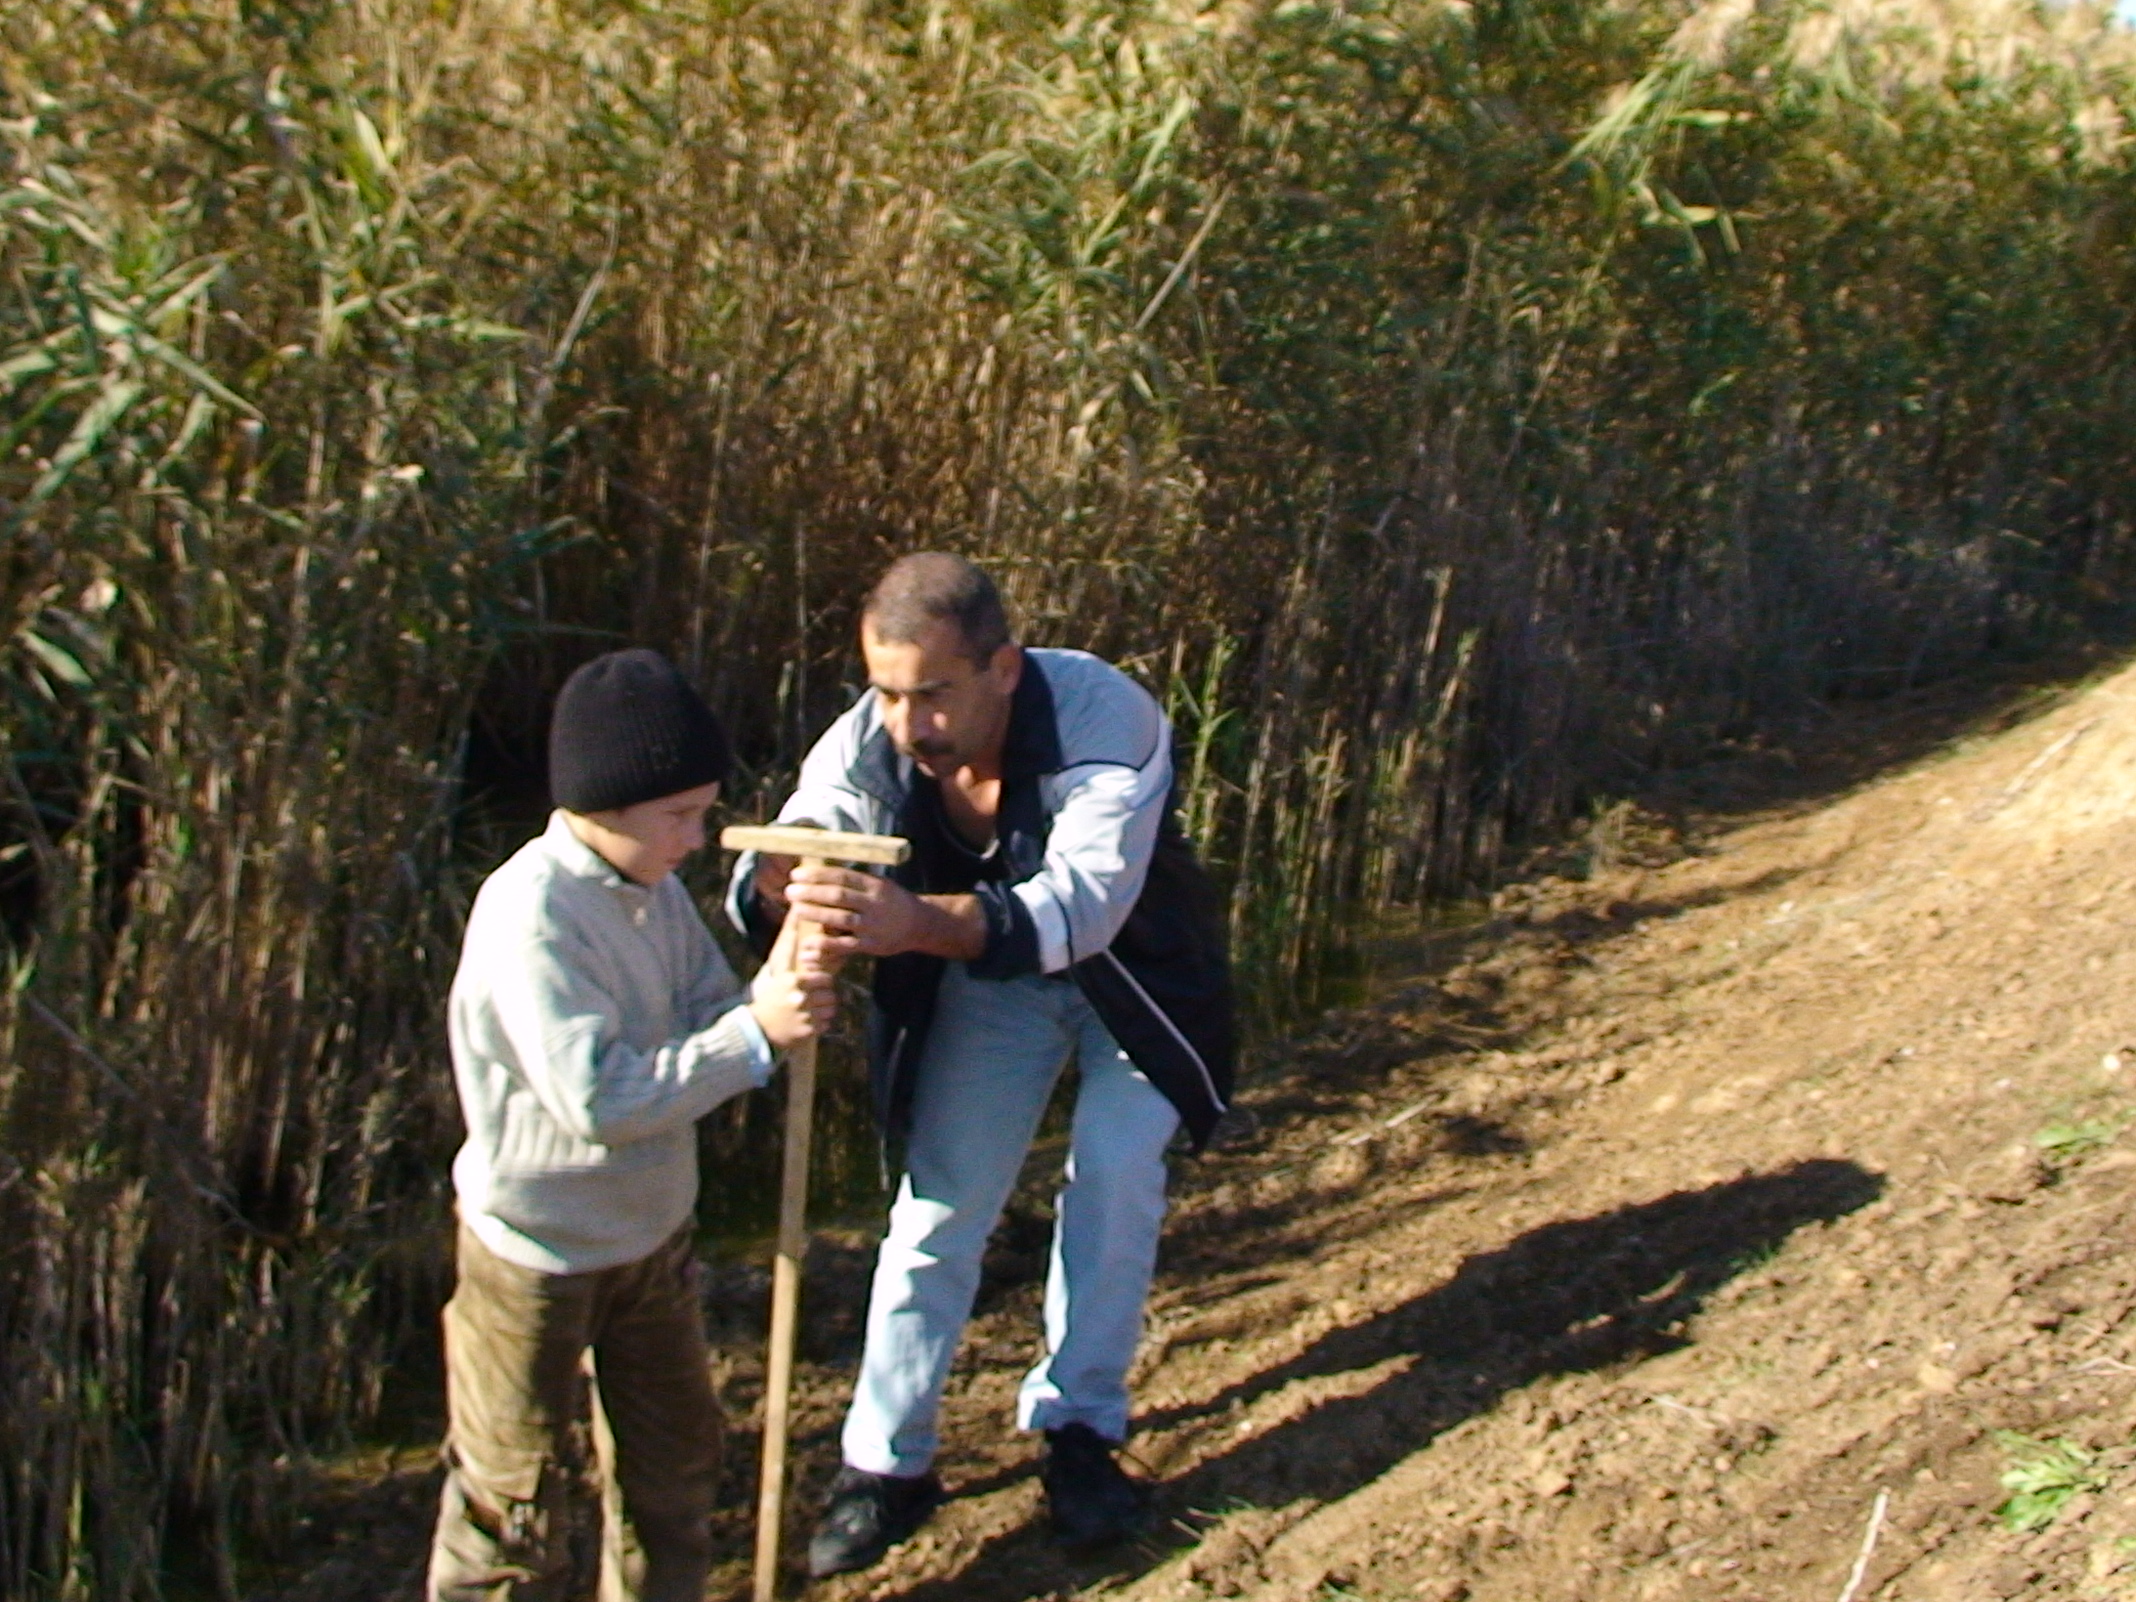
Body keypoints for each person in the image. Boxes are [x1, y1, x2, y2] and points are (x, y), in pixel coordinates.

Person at [726, 553, 1235, 1578]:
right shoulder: (877, 735)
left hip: (1132, 983)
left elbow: (1084, 906)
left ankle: (1081, 1433)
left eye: (933, 694)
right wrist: (789, 879)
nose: (908, 724)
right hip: (993, 983)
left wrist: (913, 921)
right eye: (887, 692)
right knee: (937, 1209)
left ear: (1003, 668)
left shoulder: (1105, 718)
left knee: (1114, 1177)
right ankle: (886, 1465)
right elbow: (819, 816)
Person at [428, 647, 835, 1602]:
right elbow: (600, 1101)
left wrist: (779, 986)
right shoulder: (533, 918)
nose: (698, 839)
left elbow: (710, 1006)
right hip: (536, 1256)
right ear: (607, 807)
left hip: (653, 1243)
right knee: (512, 1505)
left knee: (674, 1471)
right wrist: (753, 1037)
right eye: (681, 817)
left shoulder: (651, 894)